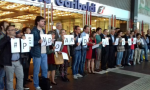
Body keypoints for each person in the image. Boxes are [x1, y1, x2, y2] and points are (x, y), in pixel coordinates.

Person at [0, 25, 24, 90]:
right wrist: (8, 38)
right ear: (8, 31)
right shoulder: (4, 39)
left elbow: (22, 48)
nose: (14, 31)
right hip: (9, 62)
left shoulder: (17, 39)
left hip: (18, 61)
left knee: (20, 77)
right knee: (10, 80)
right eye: (12, 30)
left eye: (14, 29)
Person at [31, 16, 48, 90]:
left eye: (44, 21)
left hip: (44, 52)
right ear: (37, 22)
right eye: (42, 21)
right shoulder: (33, 31)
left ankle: (44, 83)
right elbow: (30, 42)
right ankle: (36, 85)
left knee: (45, 69)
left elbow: (44, 41)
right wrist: (38, 42)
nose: (44, 22)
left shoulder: (43, 30)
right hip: (37, 53)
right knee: (36, 70)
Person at [0, 21, 9, 90]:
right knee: (1, 76)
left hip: (8, 59)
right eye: (6, 26)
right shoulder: (1, 36)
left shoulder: (9, 35)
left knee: (7, 76)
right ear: (2, 27)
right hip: (2, 59)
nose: (8, 27)